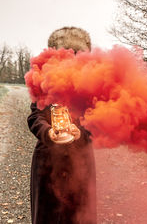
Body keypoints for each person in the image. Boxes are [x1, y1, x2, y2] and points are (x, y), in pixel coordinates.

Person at [27, 27, 97, 224]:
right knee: (48, 217)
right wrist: (48, 133)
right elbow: (35, 116)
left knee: (80, 216)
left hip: (80, 161)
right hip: (47, 161)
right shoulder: (44, 81)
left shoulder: (91, 84)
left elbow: (96, 121)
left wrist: (80, 132)